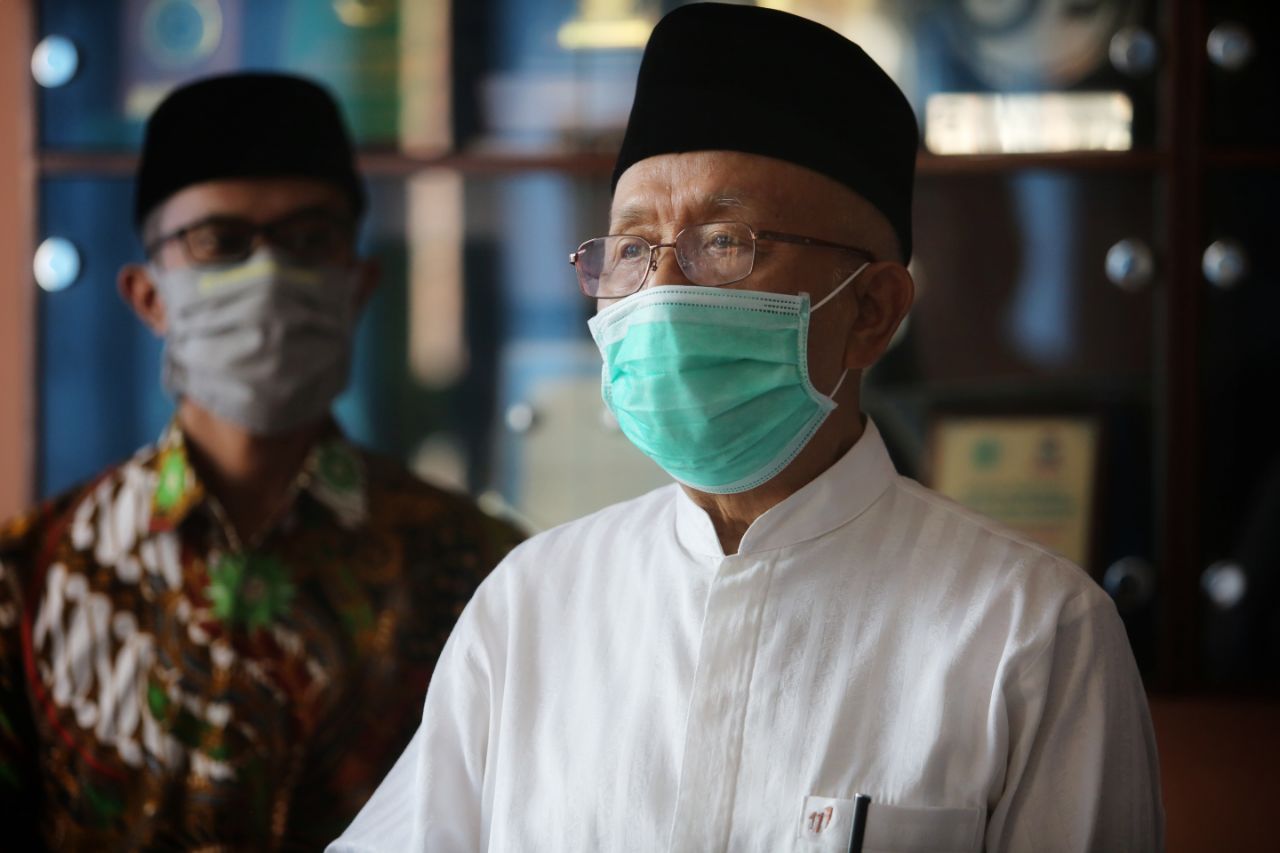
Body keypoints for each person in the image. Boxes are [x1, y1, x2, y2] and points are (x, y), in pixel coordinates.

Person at [330, 5, 1164, 851]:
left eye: (724, 243)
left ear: (871, 312)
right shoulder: (531, 607)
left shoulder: (1030, 633)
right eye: (632, 248)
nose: (661, 295)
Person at [0, 73, 523, 850]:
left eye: (309, 239)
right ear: (148, 296)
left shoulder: (485, 574)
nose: (269, 273)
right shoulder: (31, 581)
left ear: (359, 285)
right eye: (220, 242)